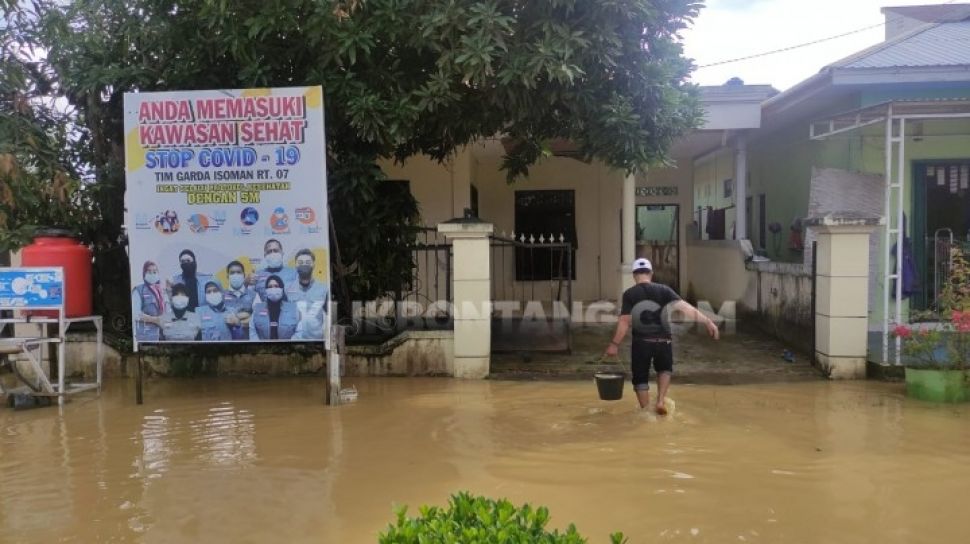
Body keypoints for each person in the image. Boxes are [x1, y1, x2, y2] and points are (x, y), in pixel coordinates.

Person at [605, 258, 719, 414]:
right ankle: (660, 401)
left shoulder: (629, 294)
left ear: (634, 275)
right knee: (664, 369)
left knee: (640, 378)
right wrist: (707, 321)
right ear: (651, 273)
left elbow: (624, 322)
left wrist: (614, 344)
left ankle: (646, 411)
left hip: (642, 342)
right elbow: (686, 308)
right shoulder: (664, 290)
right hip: (664, 341)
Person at [286, 249, 329, 340]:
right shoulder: (287, 289)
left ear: (313, 264)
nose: (304, 265)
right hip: (293, 340)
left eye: (308, 262)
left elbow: (329, 315)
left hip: (317, 341)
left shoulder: (324, 289)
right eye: (300, 262)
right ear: (295, 265)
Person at [249, 275, 299, 340]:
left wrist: (289, 346)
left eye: (276, 286)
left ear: (282, 289)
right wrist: (259, 346)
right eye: (270, 287)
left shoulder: (293, 308)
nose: (273, 289)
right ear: (266, 290)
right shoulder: (257, 308)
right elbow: (252, 331)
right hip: (262, 348)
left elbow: (299, 331)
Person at [132, 260, 165, 341]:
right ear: (144, 273)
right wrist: (155, 320)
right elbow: (135, 314)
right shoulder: (138, 290)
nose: (152, 274)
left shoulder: (162, 291)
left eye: (154, 271)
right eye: (149, 271)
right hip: (147, 336)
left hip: (163, 336)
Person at [222, 260, 256, 340]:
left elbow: (257, 320)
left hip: (248, 341)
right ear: (227, 276)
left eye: (238, 272)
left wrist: (236, 321)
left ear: (243, 275)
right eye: (232, 273)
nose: (235, 275)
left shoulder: (254, 295)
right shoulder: (221, 295)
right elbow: (220, 320)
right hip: (227, 342)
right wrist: (245, 316)